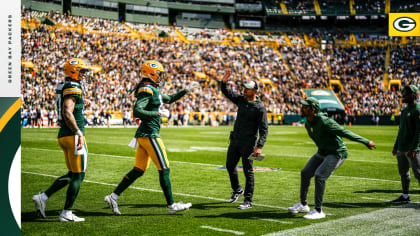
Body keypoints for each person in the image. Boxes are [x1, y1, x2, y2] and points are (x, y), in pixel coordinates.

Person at [104, 60, 198, 215]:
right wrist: (157, 113)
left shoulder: (153, 89)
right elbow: (137, 110)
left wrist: (186, 90)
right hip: (150, 134)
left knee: (139, 170)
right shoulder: (147, 89)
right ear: (151, 73)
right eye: (159, 73)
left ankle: (113, 197)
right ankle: (171, 205)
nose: (161, 76)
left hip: (144, 134)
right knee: (164, 168)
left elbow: (170, 98)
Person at [288, 97, 376, 219]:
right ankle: (303, 204)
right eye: (302, 106)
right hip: (323, 152)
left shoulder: (325, 121)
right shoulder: (308, 122)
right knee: (305, 173)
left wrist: (366, 141)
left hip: (337, 153)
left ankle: (318, 211)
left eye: (305, 107)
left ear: (313, 110)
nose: (302, 108)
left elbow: (344, 132)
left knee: (319, 176)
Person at [32, 58, 90, 222]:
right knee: (79, 175)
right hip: (73, 135)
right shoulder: (73, 86)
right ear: (73, 71)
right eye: (82, 71)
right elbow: (67, 111)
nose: (84, 74)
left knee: (72, 174)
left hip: (64, 134)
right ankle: (66, 212)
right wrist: (78, 132)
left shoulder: (64, 85)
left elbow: (68, 105)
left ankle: (43, 197)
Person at [219, 70, 268, 210]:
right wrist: (223, 82)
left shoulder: (260, 108)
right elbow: (226, 92)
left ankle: (248, 200)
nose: (244, 90)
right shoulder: (241, 99)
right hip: (235, 140)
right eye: (244, 88)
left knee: (248, 171)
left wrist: (259, 146)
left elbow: (264, 129)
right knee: (229, 165)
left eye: (248, 88)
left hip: (249, 143)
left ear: (255, 91)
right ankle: (237, 190)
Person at [391, 85, 420, 204]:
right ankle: (405, 196)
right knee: (403, 173)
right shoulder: (404, 111)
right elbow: (401, 130)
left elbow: (419, 131)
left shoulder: (417, 110)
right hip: (402, 148)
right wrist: (396, 146)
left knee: (419, 173)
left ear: (414, 95)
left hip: (413, 149)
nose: (403, 95)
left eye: (406, 93)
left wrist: (414, 148)